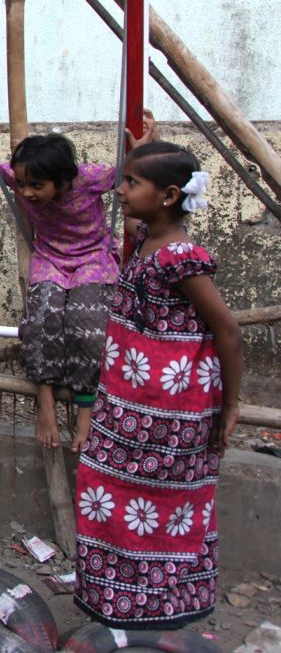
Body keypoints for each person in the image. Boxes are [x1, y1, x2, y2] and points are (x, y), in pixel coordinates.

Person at [74, 141, 242, 630]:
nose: (120, 190)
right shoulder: (149, 236)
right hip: (129, 404)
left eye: (132, 183)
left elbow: (228, 331)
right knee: (109, 493)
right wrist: (144, 144)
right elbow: (134, 221)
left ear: (168, 196)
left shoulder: (180, 258)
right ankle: (119, 602)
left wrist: (231, 404)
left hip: (169, 412)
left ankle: (156, 607)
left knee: (161, 504)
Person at [0, 119, 156, 449]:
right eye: (22, 184)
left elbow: (130, 176)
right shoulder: (20, 177)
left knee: (87, 323)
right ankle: (46, 401)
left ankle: (86, 408)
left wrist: (140, 153)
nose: (26, 192)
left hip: (92, 259)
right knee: (40, 319)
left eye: (36, 186)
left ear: (63, 180)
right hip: (50, 258)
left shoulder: (89, 178)